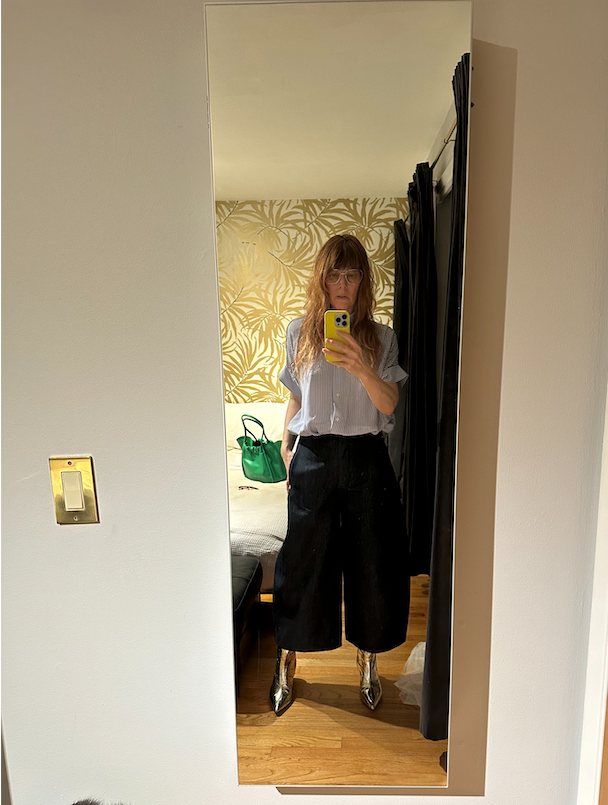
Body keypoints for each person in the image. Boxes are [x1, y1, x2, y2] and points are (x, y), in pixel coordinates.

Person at [270, 233, 410, 716]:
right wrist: (286, 444)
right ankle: (287, 655)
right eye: (335, 274)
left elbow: (389, 405)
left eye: (352, 274)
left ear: (363, 281)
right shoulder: (299, 333)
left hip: (366, 458)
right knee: (302, 560)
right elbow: (295, 394)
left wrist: (362, 367)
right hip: (313, 456)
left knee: (373, 559)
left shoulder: (382, 337)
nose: (343, 284)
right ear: (322, 279)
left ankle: (368, 657)